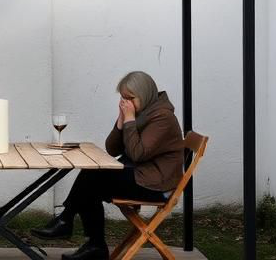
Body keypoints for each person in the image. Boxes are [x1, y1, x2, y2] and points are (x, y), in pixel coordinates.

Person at [31, 71, 184, 260]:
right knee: (92, 179)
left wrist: (128, 120)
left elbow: (137, 153)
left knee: (93, 177)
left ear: (144, 95)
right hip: (140, 175)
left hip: (156, 184)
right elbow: (112, 149)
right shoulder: (141, 112)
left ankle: (71, 225)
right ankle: (87, 241)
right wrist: (121, 122)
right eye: (122, 97)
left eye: (130, 98)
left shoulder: (162, 118)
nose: (125, 102)